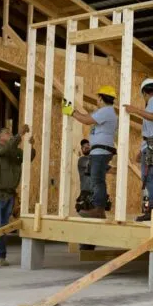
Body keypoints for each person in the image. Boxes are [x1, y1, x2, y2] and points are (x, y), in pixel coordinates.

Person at [0, 124, 35, 269]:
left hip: (8, 196)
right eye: (7, 133)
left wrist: (31, 146)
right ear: (0, 137)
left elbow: (28, 157)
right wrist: (19, 135)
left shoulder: (15, 153)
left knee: (4, 228)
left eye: (11, 133)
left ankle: (0, 257)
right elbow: (6, 148)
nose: (11, 135)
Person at [63, 86, 118, 219]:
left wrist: (71, 112)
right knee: (97, 179)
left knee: (98, 181)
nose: (97, 100)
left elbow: (86, 120)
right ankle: (98, 208)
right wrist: (74, 112)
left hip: (101, 151)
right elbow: (88, 116)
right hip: (99, 151)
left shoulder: (106, 111)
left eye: (98, 98)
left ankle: (99, 209)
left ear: (101, 98)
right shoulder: (105, 112)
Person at [123, 78, 153, 222]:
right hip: (150, 145)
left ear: (145, 92)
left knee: (149, 178)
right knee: (149, 177)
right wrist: (141, 151)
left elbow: (152, 117)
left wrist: (135, 110)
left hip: (152, 145)